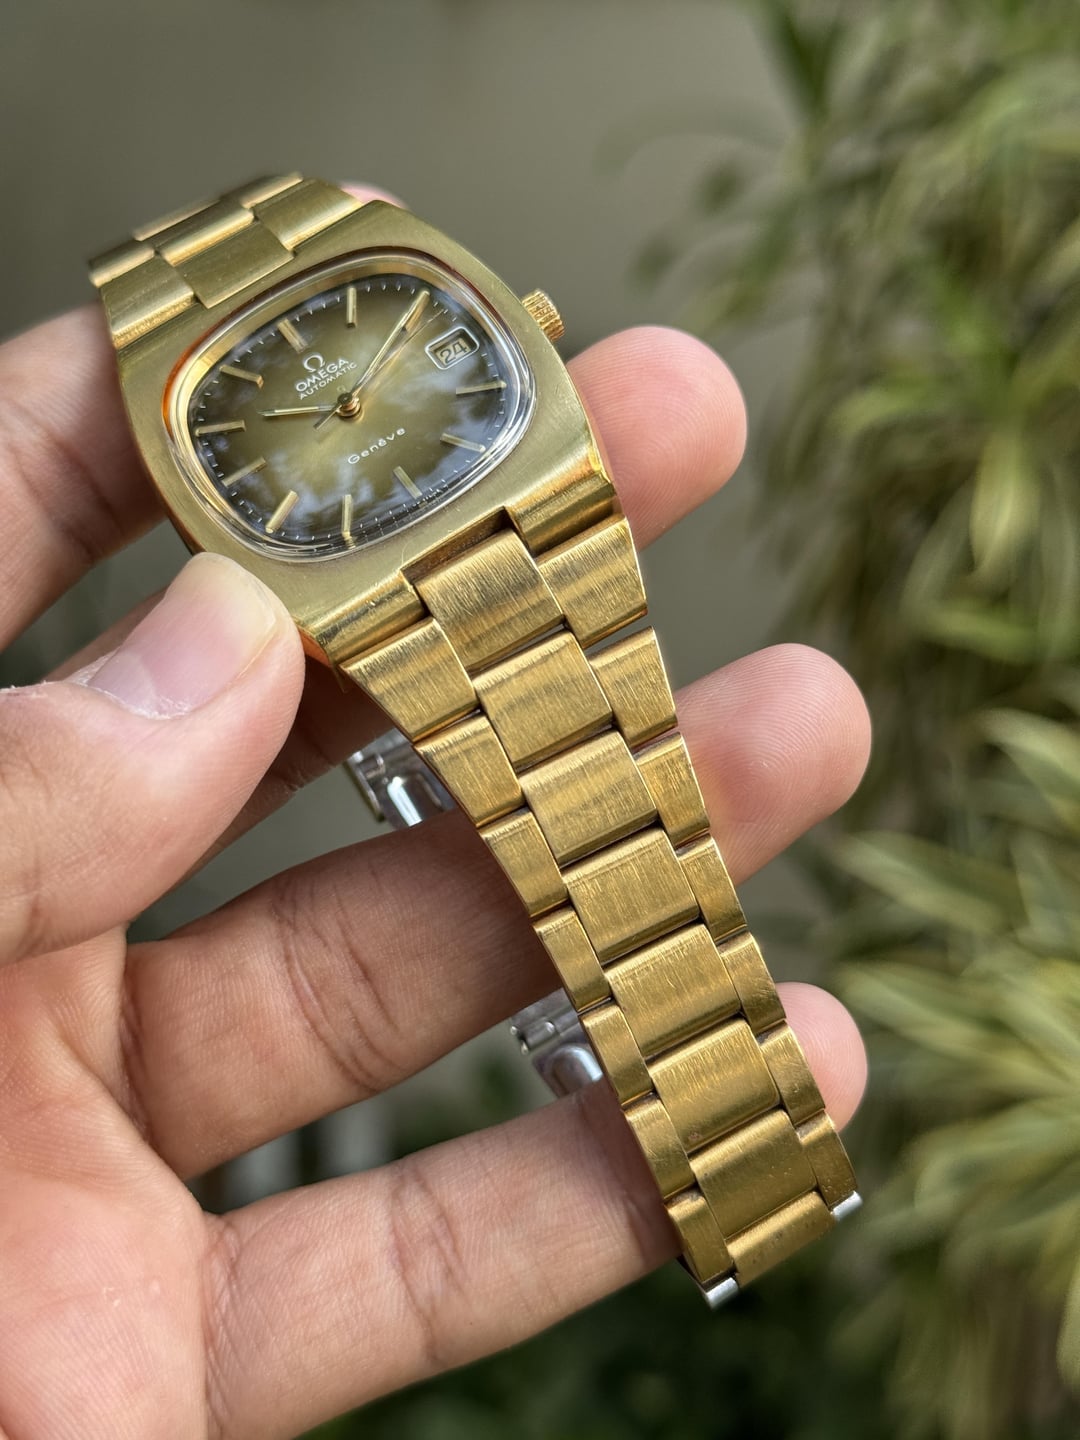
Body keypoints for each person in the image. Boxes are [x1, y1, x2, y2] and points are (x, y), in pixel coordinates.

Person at [0, 183, 870, 1439]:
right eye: (331, 408)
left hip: (531, 509)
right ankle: (743, 1158)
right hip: (373, 591)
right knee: (628, 808)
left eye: (382, 370)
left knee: (654, 802)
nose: (354, 408)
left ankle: (750, 1152)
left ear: (522, 332)